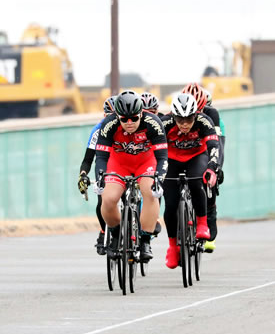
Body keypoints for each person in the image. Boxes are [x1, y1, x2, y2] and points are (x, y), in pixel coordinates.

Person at [94, 90, 168, 261]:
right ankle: (115, 233)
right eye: (124, 119)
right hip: (119, 163)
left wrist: (160, 178)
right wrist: (100, 177)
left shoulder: (153, 123)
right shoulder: (108, 123)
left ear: (141, 114)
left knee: (150, 192)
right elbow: (101, 156)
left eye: (134, 118)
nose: (129, 123)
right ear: (117, 116)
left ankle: (145, 240)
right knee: (109, 198)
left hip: (145, 163)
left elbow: (162, 157)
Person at [161, 93, 221, 268]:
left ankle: (202, 223)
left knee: (196, 182)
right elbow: (154, 149)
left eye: (189, 119)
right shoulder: (165, 123)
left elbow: (214, 146)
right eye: (180, 120)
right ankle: (173, 247)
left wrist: (212, 167)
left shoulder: (204, 122)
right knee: (170, 205)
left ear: (196, 115)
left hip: (196, 157)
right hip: (172, 160)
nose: (185, 124)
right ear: (174, 116)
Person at [183, 83, 226, 252]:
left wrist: (216, 167)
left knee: (210, 176)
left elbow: (218, 145)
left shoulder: (212, 115)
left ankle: (210, 213)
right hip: (186, 149)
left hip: (207, 146)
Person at [78, 96, 117, 254]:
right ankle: (103, 231)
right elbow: (88, 159)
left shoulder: (129, 127)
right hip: (105, 163)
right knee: (102, 199)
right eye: (110, 116)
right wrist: (82, 175)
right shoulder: (98, 130)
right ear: (104, 116)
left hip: (124, 163)